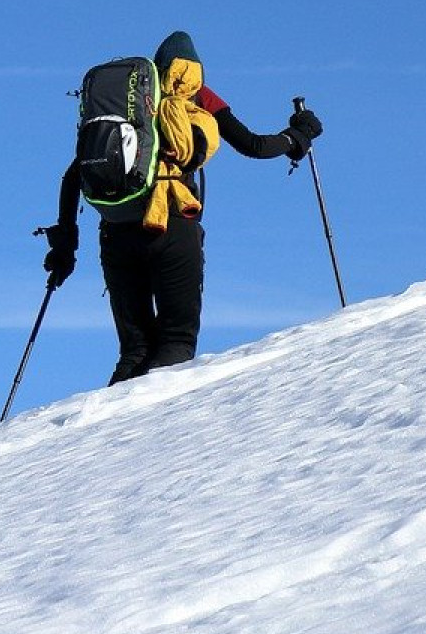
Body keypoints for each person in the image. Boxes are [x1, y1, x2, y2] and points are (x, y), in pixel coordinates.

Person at [43, 30, 321, 385]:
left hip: (116, 231)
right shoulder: (198, 95)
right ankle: (152, 437)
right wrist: (298, 136)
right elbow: (254, 145)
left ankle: (105, 431)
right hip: (173, 226)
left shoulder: (134, 104)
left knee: (134, 350)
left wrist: (66, 242)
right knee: (175, 341)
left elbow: (73, 173)